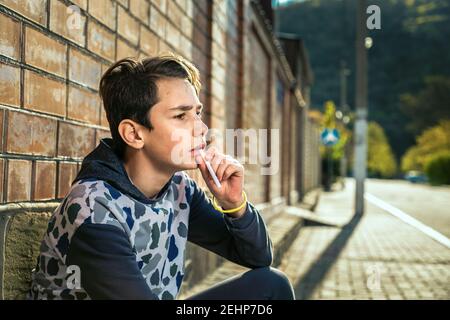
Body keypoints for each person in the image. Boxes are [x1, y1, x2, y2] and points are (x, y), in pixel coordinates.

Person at [28, 54, 295, 300]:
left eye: (197, 113)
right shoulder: (94, 209)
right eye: (181, 115)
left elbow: (259, 257)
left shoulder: (179, 190)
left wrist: (234, 204)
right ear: (134, 134)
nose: (202, 129)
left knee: (271, 286)